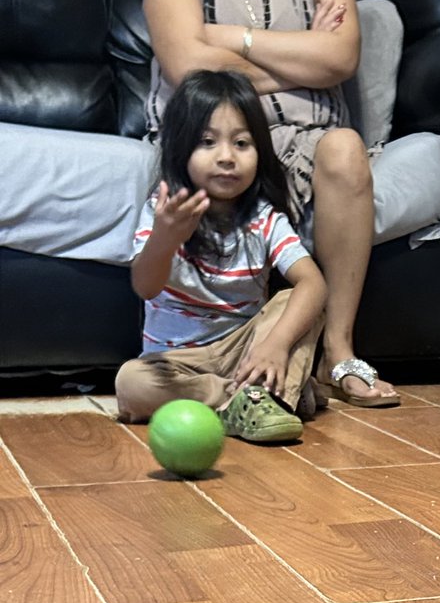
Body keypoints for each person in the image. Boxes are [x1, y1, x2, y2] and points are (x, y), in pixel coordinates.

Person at [143, 0, 399, 407]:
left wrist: (225, 37)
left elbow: (339, 57)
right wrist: (299, 54)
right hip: (218, 144)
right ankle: (236, 374)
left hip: (312, 150)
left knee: (344, 146)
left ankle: (338, 354)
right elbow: (186, 69)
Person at [116, 70, 326, 443]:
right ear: (181, 150)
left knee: (302, 302)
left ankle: (266, 389)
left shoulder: (264, 218)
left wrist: (275, 345)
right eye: (208, 142)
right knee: (131, 384)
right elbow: (145, 287)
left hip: (248, 350)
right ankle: (252, 399)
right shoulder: (164, 212)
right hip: (177, 362)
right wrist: (165, 240)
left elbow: (312, 282)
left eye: (242, 143)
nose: (227, 157)